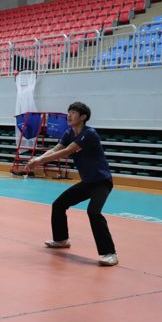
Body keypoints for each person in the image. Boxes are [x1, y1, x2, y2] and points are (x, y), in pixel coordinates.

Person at [26, 102, 118, 266]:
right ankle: (61, 239)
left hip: (101, 181)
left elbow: (67, 151)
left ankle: (111, 253)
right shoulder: (69, 133)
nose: (69, 115)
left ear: (83, 117)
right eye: (69, 112)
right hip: (87, 182)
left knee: (93, 212)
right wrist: (38, 159)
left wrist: (40, 161)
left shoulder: (89, 134)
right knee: (59, 204)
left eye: (73, 113)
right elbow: (55, 150)